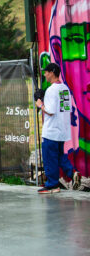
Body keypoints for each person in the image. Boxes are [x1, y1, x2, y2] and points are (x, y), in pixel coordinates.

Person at [35, 63, 81, 193]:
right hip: (62, 130)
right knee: (60, 156)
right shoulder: (64, 88)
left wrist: (40, 104)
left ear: (52, 72)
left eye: (46, 72)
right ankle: (72, 174)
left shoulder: (52, 90)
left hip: (51, 131)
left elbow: (50, 110)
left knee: (50, 159)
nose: (45, 74)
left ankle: (52, 185)